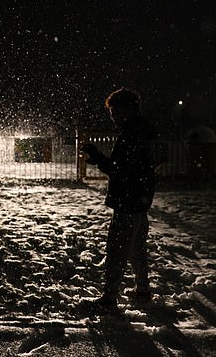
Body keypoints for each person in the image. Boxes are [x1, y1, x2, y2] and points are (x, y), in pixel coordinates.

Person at [82, 87, 156, 313]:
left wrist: (98, 159)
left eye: (116, 111)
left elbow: (122, 170)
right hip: (139, 199)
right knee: (136, 247)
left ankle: (109, 298)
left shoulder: (132, 134)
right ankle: (142, 289)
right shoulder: (143, 130)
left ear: (129, 109)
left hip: (128, 199)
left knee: (117, 249)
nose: (113, 116)